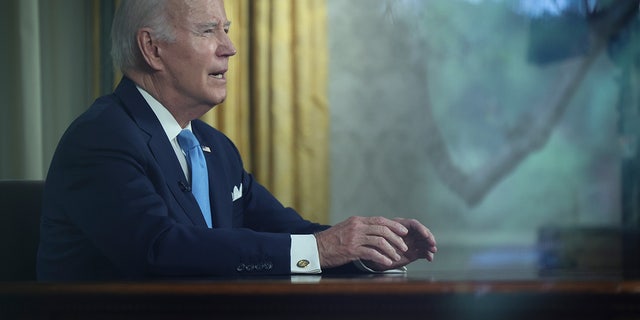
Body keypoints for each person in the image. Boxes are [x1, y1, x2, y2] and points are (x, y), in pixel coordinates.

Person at [36, 0, 437, 281]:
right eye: (208, 31)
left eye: (225, 30)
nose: (229, 48)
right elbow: (160, 250)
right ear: (152, 48)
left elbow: (288, 232)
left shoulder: (215, 148)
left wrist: (368, 253)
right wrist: (323, 249)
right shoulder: (102, 138)